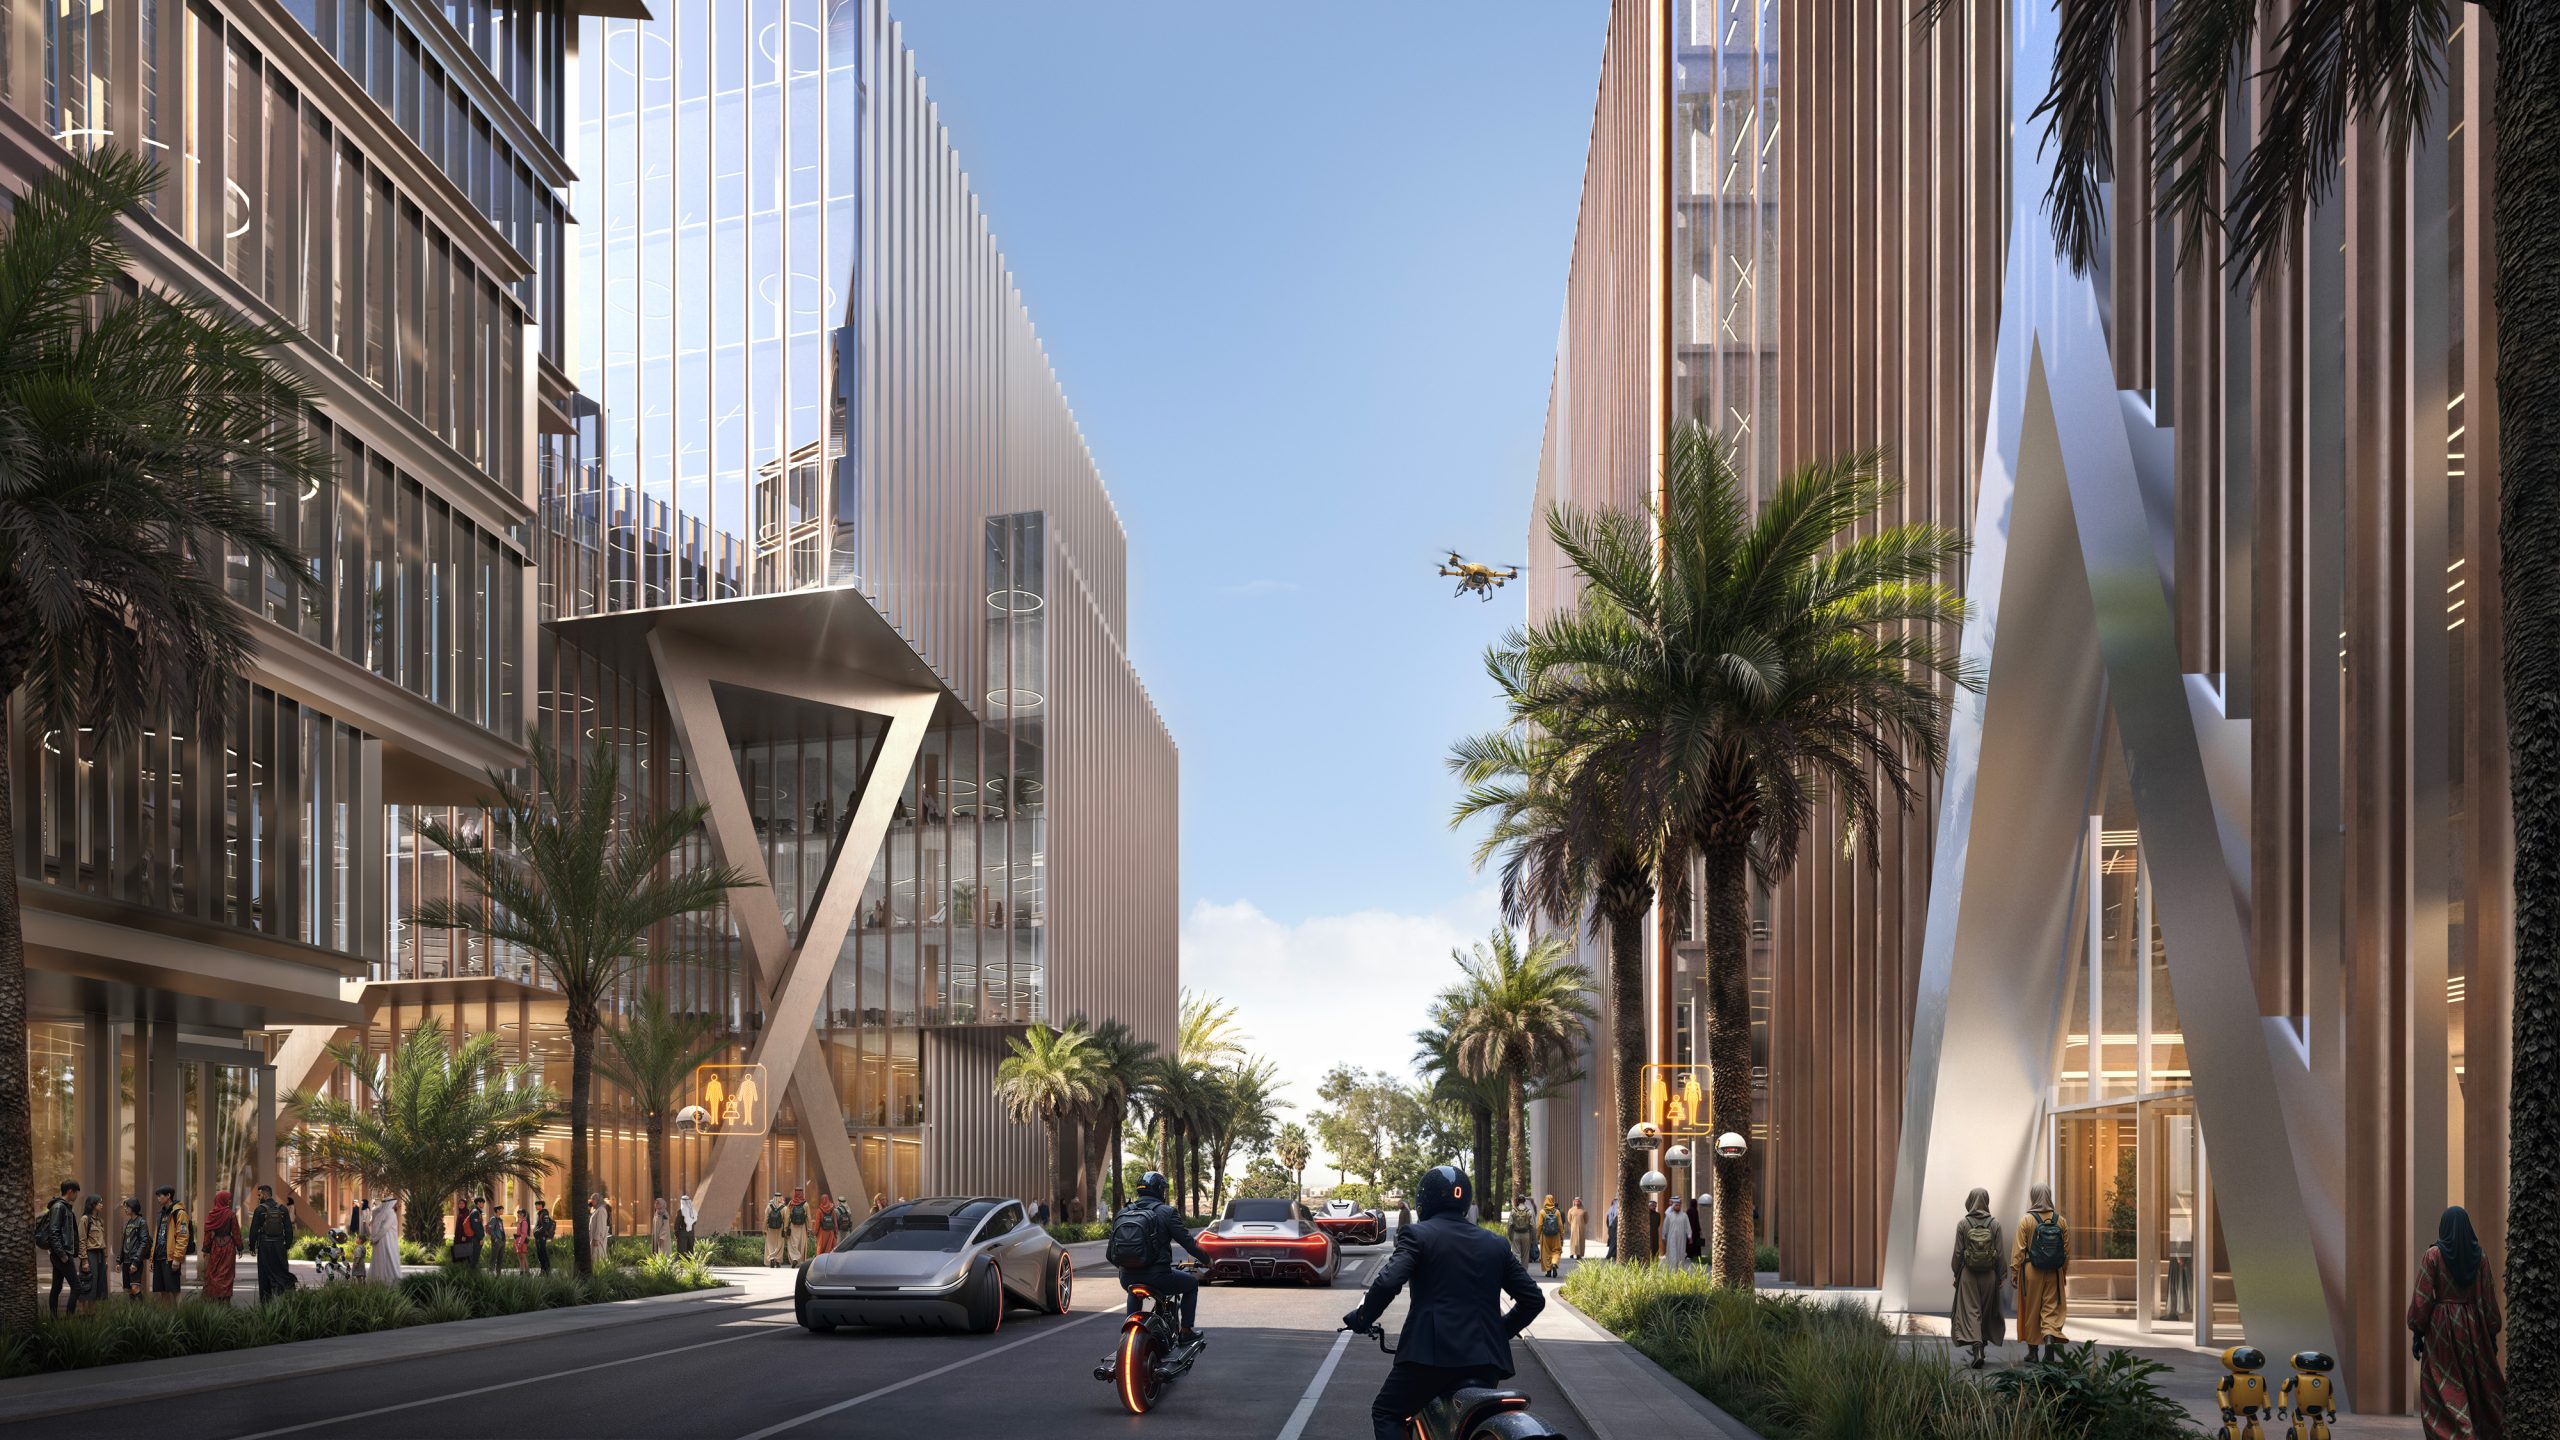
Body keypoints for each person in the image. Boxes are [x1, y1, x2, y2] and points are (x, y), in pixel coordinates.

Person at [1341, 1165, 1544, 1440]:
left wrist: (1362, 1318)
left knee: (1387, 1412)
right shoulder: (1494, 1243)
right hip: (1485, 1361)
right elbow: (1533, 1300)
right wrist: (1499, 1331)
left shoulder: (1417, 1235)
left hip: (1429, 1357)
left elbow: (1388, 1282)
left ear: (1424, 1201)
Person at [2409, 1204, 2506, 1439]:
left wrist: (2418, 1330)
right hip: (2472, 1327)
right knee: (2474, 1383)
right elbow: (2488, 1296)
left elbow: (2422, 1297)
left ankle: (2456, 1433)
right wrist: (2491, 1331)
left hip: (2441, 1327)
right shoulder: (2480, 1257)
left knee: (2444, 1382)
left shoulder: (2433, 1255)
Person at [1107, 1170, 1211, 1345]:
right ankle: (1186, 1331)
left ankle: (1126, 1335)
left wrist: (1127, 1268)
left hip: (1126, 1278)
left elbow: (1110, 1253)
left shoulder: (1123, 1212)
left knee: (1134, 1290)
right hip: (1159, 1277)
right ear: (1159, 1190)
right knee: (1191, 1284)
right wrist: (1208, 1260)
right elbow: (1188, 1244)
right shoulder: (1166, 1212)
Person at [1950, 1187, 2006, 1369]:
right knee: (1985, 1310)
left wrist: (1956, 1273)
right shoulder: (1995, 1224)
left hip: (1968, 1275)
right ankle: (1981, 1344)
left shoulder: (1963, 1224)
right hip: (1989, 1274)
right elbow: (2000, 1253)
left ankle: (1977, 1349)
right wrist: (2001, 1275)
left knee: (1972, 1311)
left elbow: (1958, 1253)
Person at [2012, 1183, 2069, 1362]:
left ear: (2034, 1196)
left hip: (2031, 1271)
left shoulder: (2026, 1220)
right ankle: (2050, 1337)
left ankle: (2033, 1352)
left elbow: (2019, 1250)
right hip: (2054, 1271)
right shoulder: (2060, 1220)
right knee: (2050, 1308)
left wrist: (2014, 1272)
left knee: (2031, 1310)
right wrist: (2063, 1274)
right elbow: (2066, 1251)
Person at [38, 1180, 81, 1317]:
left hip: (61, 1253)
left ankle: (54, 1320)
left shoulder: (65, 1207)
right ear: (70, 1191)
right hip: (61, 1254)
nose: (77, 1196)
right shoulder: (59, 1207)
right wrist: (62, 1254)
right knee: (77, 1287)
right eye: (76, 1192)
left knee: (57, 1287)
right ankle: (69, 1320)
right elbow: (54, 1232)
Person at [246, 1186, 295, 1302]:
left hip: (264, 1246)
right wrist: (287, 1245)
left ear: (264, 1194)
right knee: (281, 1271)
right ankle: (282, 1298)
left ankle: (266, 1303)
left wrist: (252, 1246)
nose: (258, 1198)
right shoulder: (283, 1208)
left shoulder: (259, 1210)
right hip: (279, 1245)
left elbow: (253, 1230)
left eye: (259, 1195)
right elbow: (288, 1229)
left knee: (264, 1273)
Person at [150, 1185, 190, 1302]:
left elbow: (183, 1237)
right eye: (157, 1196)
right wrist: (152, 1258)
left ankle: (179, 1317)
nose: (158, 1198)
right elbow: (157, 1237)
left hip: (171, 1258)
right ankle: (167, 1319)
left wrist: (177, 1258)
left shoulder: (179, 1213)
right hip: (159, 1257)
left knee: (174, 1290)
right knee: (162, 1290)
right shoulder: (161, 1214)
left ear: (168, 1196)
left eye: (160, 1196)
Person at [200, 1189, 240, 1305]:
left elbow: (207, 1233)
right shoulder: (231, 1214)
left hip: (215, 1247)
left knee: (215, 1273)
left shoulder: (212, 1214)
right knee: (227, 1274)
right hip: (228, 1247)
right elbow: (236, 1232)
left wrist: (206, 1249)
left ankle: (215, 1300)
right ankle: (226, 1301)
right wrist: (240, 1247)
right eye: (228, 1198)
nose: (229, 1200)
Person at [79, 1193, 108, 1304]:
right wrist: (84, 1260)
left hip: (100, 1254)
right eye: (99, 1202)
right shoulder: (85, 1219)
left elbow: (102, 1241)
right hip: (90, 1254)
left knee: (97, 1285)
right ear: (93, 1204)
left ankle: (92, 1314)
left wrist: (105, 1258)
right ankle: (84, 1315)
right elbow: (82, 1240)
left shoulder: (100, 1220)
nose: (101, 1204)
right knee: (88, 1283)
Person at [367, 1194, 403, 1284]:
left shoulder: (380, 1213)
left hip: (379, 1241)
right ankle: (390, 1279)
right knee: (390, 1259)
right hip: (387, 1242)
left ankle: (379, 1279)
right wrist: (375, 1239)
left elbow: (374, 1226)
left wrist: (374, 1238)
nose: (395, 1206)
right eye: (394, 1204)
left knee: (381, 1260)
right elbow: (384, 1229)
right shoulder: (391, 1214)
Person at [118, 1197, 148, 1297]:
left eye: (127, 1207)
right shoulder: (128, 1223)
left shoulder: (141, 1222)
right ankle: (133, 1312)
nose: (125, 1209)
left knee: (135, 1288)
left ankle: (142, 1312)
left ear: (133, 1207)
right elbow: (124, 1243)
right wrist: (119, 1261)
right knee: (129, 1290)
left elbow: (144, 1242)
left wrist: (135, 1262)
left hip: (135, 1259)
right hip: (126, 1260)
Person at [1661, 1197, 1695, 1272]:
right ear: (1673, 1206)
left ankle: (1679, 1272)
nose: (1678, 1207)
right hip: (1671, 1239)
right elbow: (1665, 1227)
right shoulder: (1669, 1216)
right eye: (1676, 1205)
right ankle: (1672, 1272)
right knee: (1672, 1255)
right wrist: (1663, 1236)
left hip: (1681, 1239)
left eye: (1679, 1205)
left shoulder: (1684, 1215)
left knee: (1680, 1255)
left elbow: (1688, 1227)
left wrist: (1690, 1237)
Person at [1536, 1194, 1565, 1278]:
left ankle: (1548, 1272)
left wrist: (1537, 1236)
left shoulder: (1542, 1212)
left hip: (1545, 1236)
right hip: (1555, 1236)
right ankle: (1554, 1263)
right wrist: (1562, 1236)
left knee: (1546, 1253)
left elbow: (1540, 1225)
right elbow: (1560, 1225)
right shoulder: (1557, 1212)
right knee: (1556, 1251)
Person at [1505, 1195, 1535, 1268]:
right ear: (1524, 1201)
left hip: (1516, 1234)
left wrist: (1510, 1235)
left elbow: (1509, 1224)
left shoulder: (1513, 1211)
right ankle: (1524, 1271)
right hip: (1526, 1234)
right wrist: (1533, 1237)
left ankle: (1517, 1269)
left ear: (1518, 1201)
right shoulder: (1529, 1211)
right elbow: (1533, 1225)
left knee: (1516, 1253)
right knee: (1525, 1255)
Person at [451, 1199, 481, 1267]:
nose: (461, 1205)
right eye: (460, 1203)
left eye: (462, 1203)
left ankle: (467, 1267)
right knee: (459, 1250)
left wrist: (464, 1235)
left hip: (464, 1236)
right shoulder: (460, 1213)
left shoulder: (466, 1213)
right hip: (459, 1236)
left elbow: (467, 1225)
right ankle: (460, 1266)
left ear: (465, 1204)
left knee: (465, 1251)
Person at [785, 1188, 811, 1264]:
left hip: (793, 1226)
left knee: (793, 1243)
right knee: (801, 1243)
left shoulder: (791, 1203)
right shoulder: (805, 1204)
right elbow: (808, 1217)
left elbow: (787, 1216)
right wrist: (809, 1228)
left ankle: (795, 1258)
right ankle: (799, 1260)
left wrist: (785, 1227)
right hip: (802, 1227)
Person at [533, 1198, 556, 1275]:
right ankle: (543, 1269)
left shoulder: (544, 1214)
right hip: (539, 1237)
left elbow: (545, 1225)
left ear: (541, 1205)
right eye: (535, 1205)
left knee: (542, 1253)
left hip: (542, 1237)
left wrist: (537, 1232)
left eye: (537, 1205)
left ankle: (546, 1270)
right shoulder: (540, 1213)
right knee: (540, 1253)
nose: (535, 1206)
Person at [589, 1192, 612, 1271]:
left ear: (598, 1200)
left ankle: (600, 1273)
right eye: (592, 1199)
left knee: (598, 1256)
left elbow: (600, 1226)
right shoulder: (596, 1209)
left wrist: (596, 1238)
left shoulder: (601, 1210)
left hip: (598, 1240)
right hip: (595, 1238)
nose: (592, 1201)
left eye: (593, 1199)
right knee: (595, 1257)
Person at [764, 1192, 787, 1267]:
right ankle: (778, 1260)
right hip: (780, 1228)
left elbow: (766, 1219)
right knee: (779, 1244)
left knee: (770, 1244)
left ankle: (771, 1258)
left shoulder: (769, 1206)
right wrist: (785, 1229)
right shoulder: (784, 1207)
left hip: (770, 1229)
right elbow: (786, 1220)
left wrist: (764, 1229)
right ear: (780, 1198)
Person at [814, 1193, 838, 1257]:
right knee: (829, 1248)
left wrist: (815, 1232)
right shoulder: (832, 1209)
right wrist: (835, 1232)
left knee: (820, 1248)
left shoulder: (819, 1210)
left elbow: (817, 1223)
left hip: (822, 1232)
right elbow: (835, 1222)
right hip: (830, 1232)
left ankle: (819, 1261)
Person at [1565, 1197, 1586, 1262]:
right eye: (1576, 1201)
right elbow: (1569, 1219)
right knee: (1573, 1241)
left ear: (1580, 1202)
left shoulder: (1584, 1210)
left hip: (1581, 1228)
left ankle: (1579, 1254)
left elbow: (1586, 1219)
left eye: (1578, 1201)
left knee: (1580, 1240)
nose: (1577, 1202)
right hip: (1573, 1228)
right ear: (1574, 1202)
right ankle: (1572, 1253)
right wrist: (1573, 1224)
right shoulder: (1571, 1210)